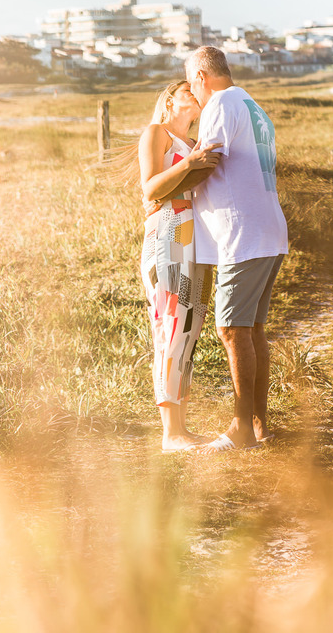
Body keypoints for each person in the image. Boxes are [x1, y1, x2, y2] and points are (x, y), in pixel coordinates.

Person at [184, 46, 289, 452]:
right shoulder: (251, 105)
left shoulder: (221, 103)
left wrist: (162, 191)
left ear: (201, 77)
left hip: (242, 233)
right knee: (250, 329)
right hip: (267, 229)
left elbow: (205, 162)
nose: (194, 96)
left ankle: (241, 428)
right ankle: (259, 426)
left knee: (231, 329)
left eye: (192, 85)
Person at [138, 80, 223, 451]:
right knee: (170, 326)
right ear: (170, 100)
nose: (194, 93)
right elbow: (150, 189)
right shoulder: (158, 133)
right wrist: (190, 163)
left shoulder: (194, 142)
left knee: (189, 329)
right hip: (168, 233)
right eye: (187, 89)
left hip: (197, 238)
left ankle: (181, 429)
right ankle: (170, 433)